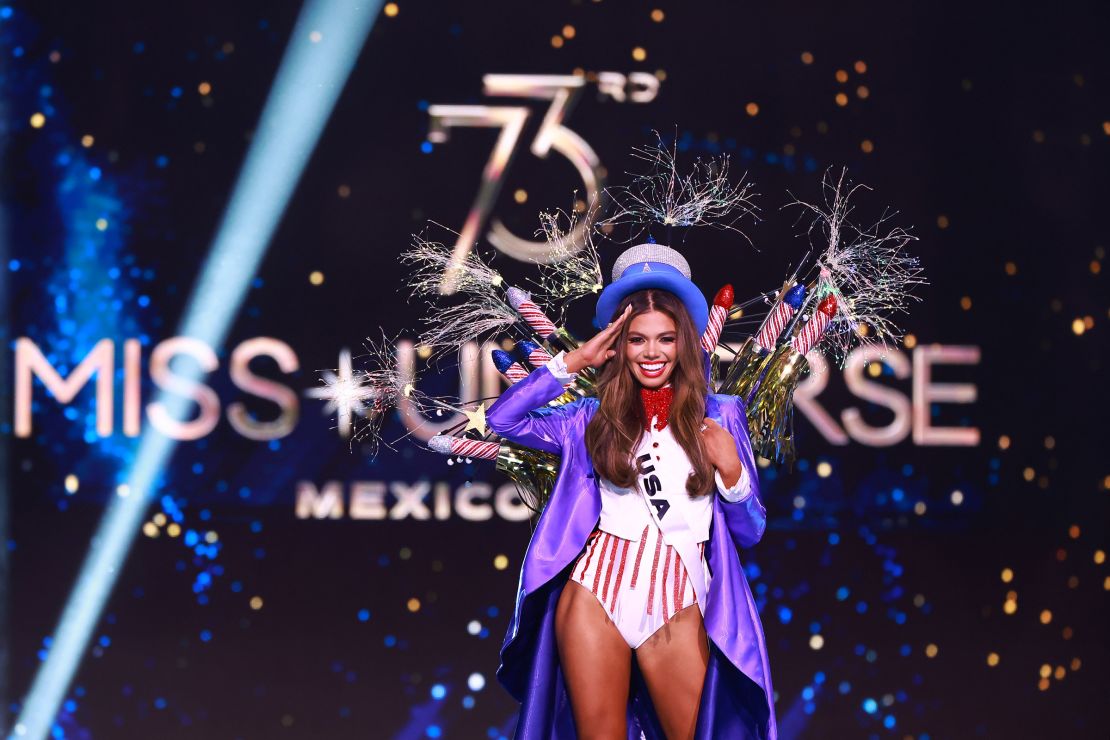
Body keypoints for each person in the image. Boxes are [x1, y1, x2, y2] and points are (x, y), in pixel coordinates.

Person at [488, 243, 776, 739]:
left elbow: (750, 532)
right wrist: (573, 361)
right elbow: (502, 419)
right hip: (595, 594)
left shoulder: (720, 415)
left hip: (678, 600)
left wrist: (732, 473)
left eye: (665, 338)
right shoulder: (588, 419)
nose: (651, 353)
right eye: (637, 340)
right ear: (617, 343)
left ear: (683, 341)